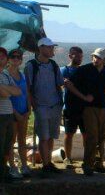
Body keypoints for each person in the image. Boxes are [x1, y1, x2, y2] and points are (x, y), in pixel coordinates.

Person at [64, 48, 105, 176]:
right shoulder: (84, 70)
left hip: (103, 108)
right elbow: (68, 84)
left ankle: (99, 163)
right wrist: (84, 97)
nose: (95, 59)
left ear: (104, 59)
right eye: (94, 56)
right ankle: (88, 165)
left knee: (102, 137)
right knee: (92, 136)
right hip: (89, 108)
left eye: (98, 57)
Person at [24, 37, 64, 175]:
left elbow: (59, 84)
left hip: (54, 106)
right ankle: (46, 165)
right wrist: (32, 105)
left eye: (52, 47)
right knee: (43, 137)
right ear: (41, 48)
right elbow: (27, 88)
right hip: (41, 106)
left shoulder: (54, 65)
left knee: (51, 136)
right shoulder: (31, 66)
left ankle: (48, 163)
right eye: (49, 47)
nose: (52, 49)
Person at [6, 49, 30, 178]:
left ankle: (24, 165)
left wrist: (28, 108)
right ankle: (12, 166)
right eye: (13, 56)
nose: (16, 59)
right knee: (11, 140)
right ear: (8, 59)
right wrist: (16, 113)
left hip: (23, 112)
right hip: (11, 113)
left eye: (18, 57)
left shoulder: (22, 75)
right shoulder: (5, 75)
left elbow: (26, 93)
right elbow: (6, 97)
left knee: (22, 139)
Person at [0, 47, 22, 183]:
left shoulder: (6, 75)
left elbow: (17, 91)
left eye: (3, 56)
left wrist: (5, 89)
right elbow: (5, 94)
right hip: (1, 115)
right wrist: (8, 91)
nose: (1, 58)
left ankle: (3, 173)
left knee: (7, 147)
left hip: (8, 114)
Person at [61, 46, 84, 167]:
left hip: (84, 108)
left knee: (86, 134)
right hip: (69, 108)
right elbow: (58, 86)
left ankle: (87, 159)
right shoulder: (64, 70)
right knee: (69, 134)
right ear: (70, 56)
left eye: (81, 56)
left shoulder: (84, 70)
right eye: (77, 56)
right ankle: (68, 158)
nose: (79, 58)